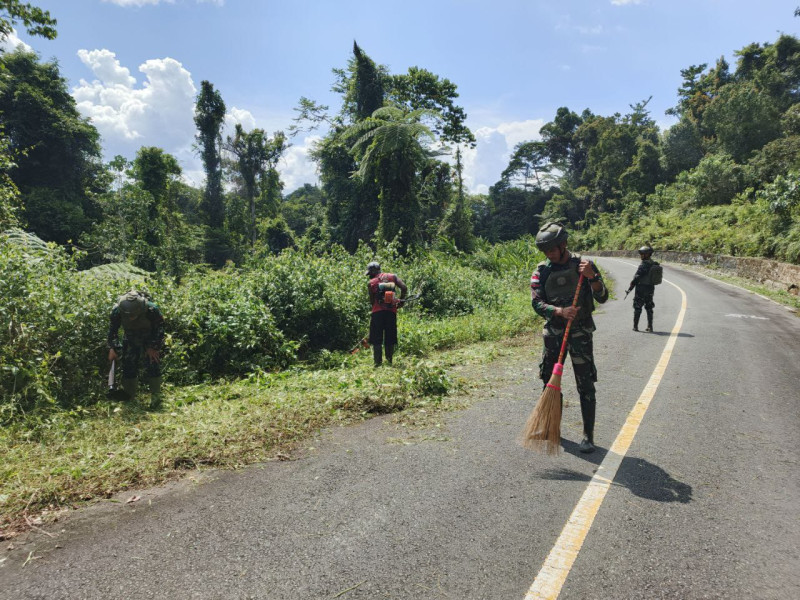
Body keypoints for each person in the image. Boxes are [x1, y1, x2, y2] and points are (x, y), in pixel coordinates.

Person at [530, 222, 608, 453]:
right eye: (546, 251)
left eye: (552, 249)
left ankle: (588, 435)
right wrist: (558, 312)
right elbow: (536, 303)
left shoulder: (584, 265)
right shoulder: (541, 271)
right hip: (554, 334)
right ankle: (550, 429)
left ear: (563, 245)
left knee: (585, 383)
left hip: (580, 334)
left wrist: (592, 277)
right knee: (549, 382)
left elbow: (602, 297)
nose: (549, 254)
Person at [107, 289, 166, 408]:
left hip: (150, 338)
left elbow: (160, 328)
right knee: (128, 365)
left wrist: (153, 347)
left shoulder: (151, 309)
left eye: (133, 315)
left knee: (152, 364)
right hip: (130, 338)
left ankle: (156, 398)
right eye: (128, 315)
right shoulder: (117, 310)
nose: (130, 317)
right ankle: (130, 398)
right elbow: (113, 331)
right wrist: (112, 348)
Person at [366, 261, 407, 367]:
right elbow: (404, 287)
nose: (369, 275)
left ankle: (377, 364)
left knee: (376, 339)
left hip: (377, 313)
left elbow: (372, 301)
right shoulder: (392, 276)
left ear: (373, 271)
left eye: (370, 273)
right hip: (391, 312)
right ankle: (389, 362)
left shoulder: (371, 283)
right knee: (390, 337)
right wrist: (401, 301)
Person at [626, 245, 657, 332]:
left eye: (642, 254)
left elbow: (637, 277)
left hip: (641, 289)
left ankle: (635, 326)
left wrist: (631, 286)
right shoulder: (653, 263)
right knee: (649, 307)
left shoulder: (644, 265)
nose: (641, 255)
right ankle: (650, 326)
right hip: (650, 288)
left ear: (647, 254)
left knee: (637, 307)